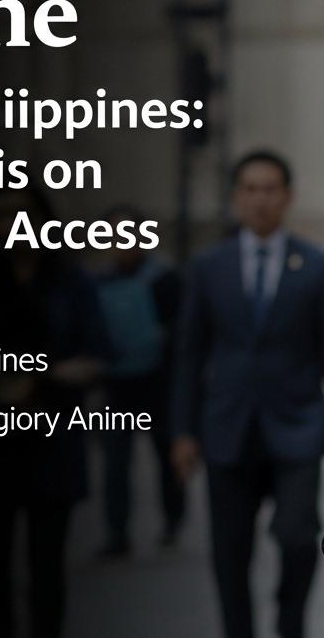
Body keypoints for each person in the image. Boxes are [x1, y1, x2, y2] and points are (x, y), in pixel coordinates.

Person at [171, 149, 324, 638]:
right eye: (250, 190)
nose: (260, 200)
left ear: (287, 196)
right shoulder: (209, 267)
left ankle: (289, 622)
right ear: (236, 196)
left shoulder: (316, 265)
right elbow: (189, 354)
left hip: (296, 426)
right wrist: (183, 431)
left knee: (298, 537)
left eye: (270, 189)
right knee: (229, 551)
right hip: (228, 428)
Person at [0, 186, 112, 638]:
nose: (14, 223)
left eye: (24, 212)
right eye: (4, 213)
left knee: (47, 564)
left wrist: (41, 376)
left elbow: (98, 355)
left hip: (52, 434)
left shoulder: (71, 281)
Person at [93, 204, 186, 557]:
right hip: (116, 385)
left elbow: (182, 334)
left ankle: (173, 521)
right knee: (115, 463)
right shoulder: (99, 281)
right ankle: (117, 533)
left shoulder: (165, 279)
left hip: (159, 385)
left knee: (166, 457)